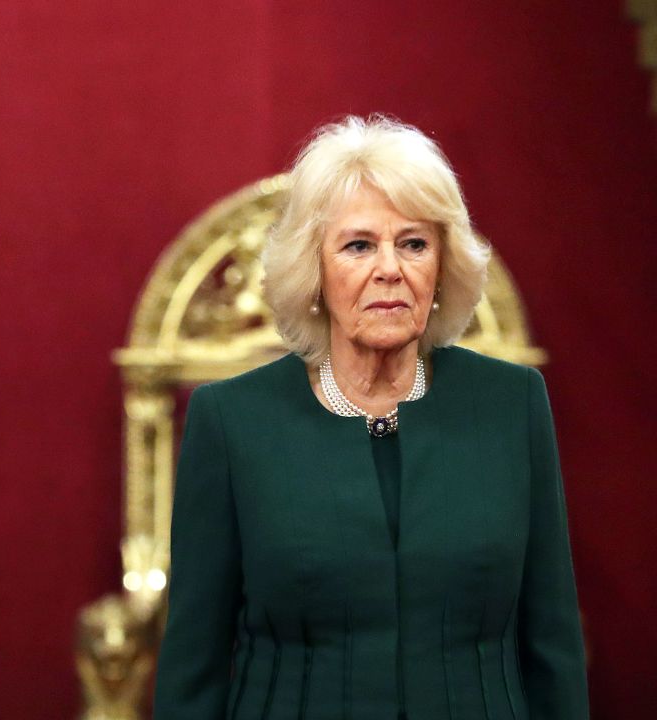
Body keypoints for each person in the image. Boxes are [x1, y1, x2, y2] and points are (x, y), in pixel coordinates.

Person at [153, 116, 588, 718]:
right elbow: (192, 672)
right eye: (359, 245)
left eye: (414, 243)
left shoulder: (512, 405)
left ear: (441, 269)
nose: (390, 268)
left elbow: (555, 649)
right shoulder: (231, 422)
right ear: (314, 272)